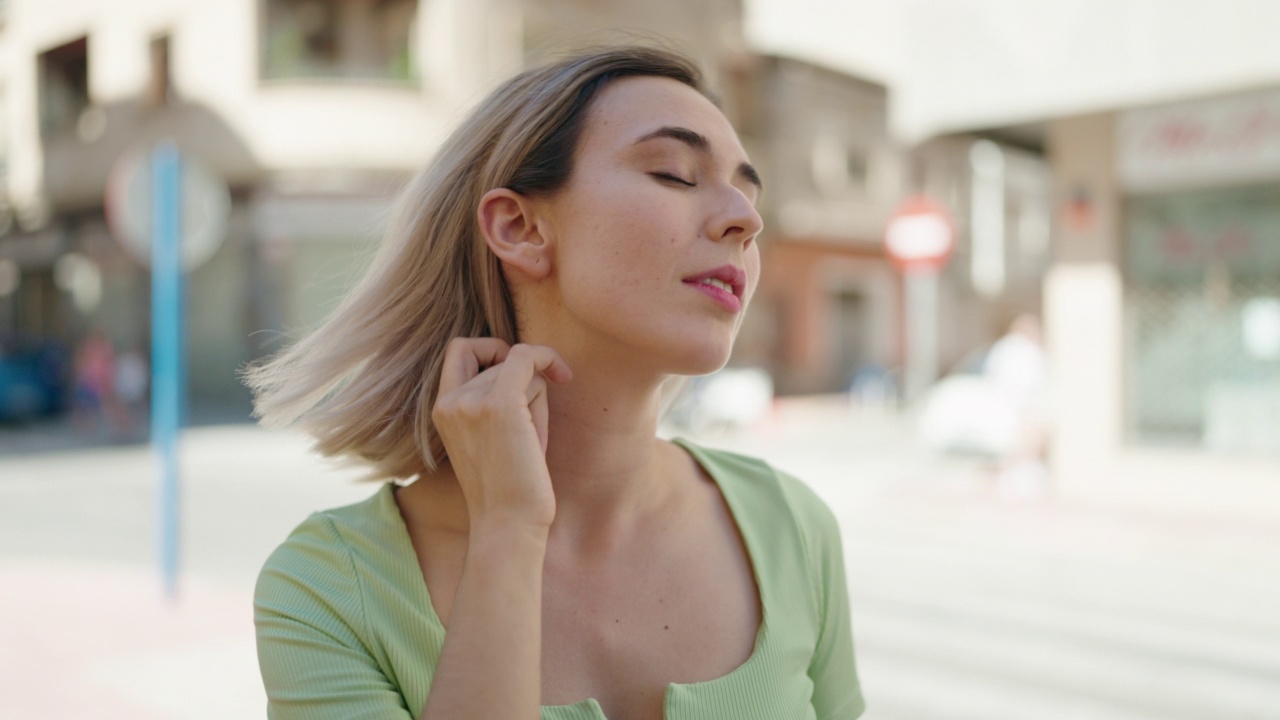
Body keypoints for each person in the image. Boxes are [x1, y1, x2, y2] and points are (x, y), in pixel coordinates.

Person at [246, 46, 865, 720]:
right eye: (674, 174)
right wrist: (508, 529)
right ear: (519, 227)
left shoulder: (792, 528)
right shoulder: (327, 591)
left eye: (747, 195)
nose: (746, 221)